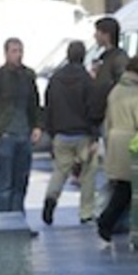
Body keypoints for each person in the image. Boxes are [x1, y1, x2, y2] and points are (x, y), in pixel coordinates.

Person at [0, 37, 43, 213]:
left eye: (20, 51)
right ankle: (4, 219)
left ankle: (18, 217)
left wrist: (37, 126)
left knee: (21, 180)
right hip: (5, 135)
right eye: (14, 51)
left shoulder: (28, 75)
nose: (18, 55)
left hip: (24, 134)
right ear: (6, 53)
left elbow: (35, 103)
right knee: (5, 181)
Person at [97, 55, 138, 243]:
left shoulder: (117, 89)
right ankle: (107, 222)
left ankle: (111, 223)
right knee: (126, 189)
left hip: (115, 140)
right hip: (130, 142)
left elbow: (108, 119)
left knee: (120, 186)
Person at [42, 40, 98, 226]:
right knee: (88, 173)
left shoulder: (55, 79)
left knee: (60, 171)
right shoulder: (87, 80)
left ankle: (51, 198)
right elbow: (92, 108)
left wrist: (51, 132)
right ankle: (86, 212)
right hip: (83, 134)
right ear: (83, 56)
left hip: (61, 133)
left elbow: (49, 107)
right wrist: (94, 135)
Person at [89, 16, 129, 127]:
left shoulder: (119, 58)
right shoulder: (103, 57)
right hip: (101, 113)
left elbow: (123, 84)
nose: (95, 35)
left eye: (97, 32)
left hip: (111, 114)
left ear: (106, 35)